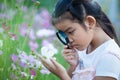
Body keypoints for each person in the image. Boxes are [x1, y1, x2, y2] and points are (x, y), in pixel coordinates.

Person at [39, 0, 120, 80]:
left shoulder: (109, 56)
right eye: (64, 35)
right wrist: (73, 66)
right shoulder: (83, 49)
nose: (68, 40)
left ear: (90, 22)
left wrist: (62, 75)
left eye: (70, 32)